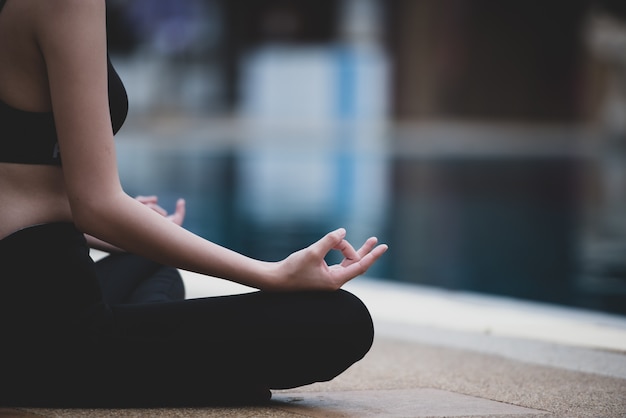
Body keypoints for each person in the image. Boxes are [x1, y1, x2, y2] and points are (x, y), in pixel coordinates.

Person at [0, 0, 388, 408]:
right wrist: (272, 274)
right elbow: (96, 204)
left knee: (152, 264)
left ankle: (168, 368)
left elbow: (26, 190)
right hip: (51, 332)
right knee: (340, 322)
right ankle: (159, 375)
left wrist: (128, 231)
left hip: (23, 293)